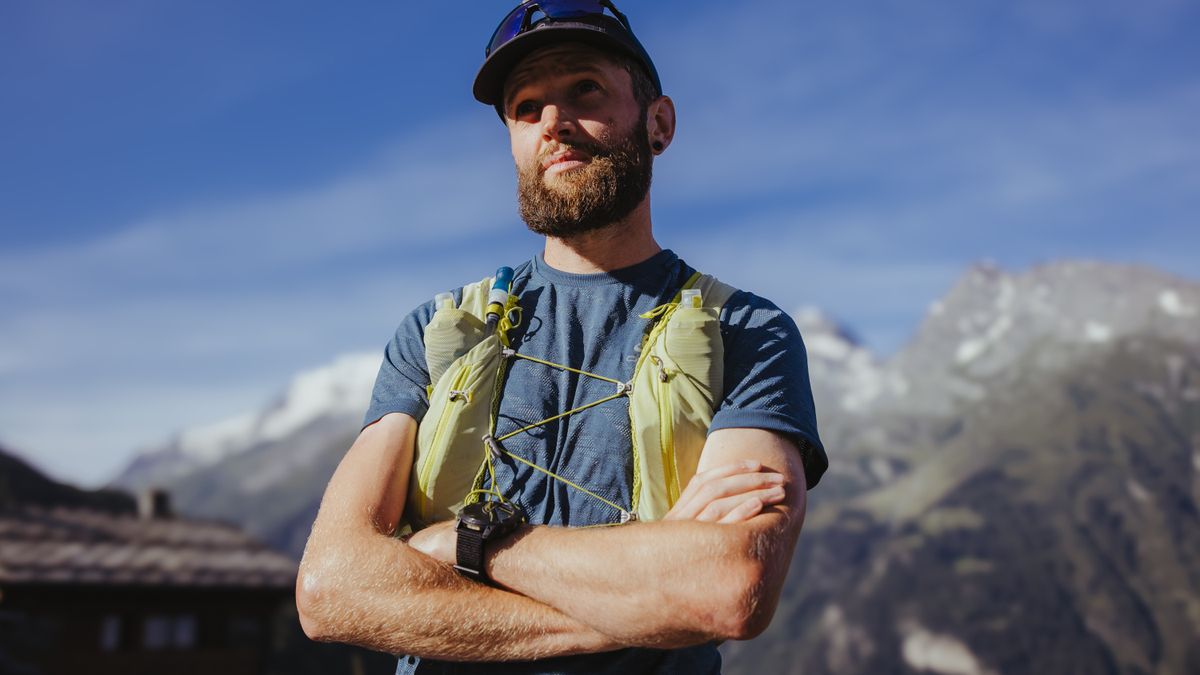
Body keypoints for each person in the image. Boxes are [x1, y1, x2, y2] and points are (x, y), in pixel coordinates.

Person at [296, 2, 828, 673]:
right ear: (513, 142)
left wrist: (472, 546)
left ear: (658, 123)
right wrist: (652, 595)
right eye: (526, 107)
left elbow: (728, 587)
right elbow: (329, 590)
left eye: (585, 90)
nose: (554, 124)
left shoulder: (747, 331)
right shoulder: (436, 332)